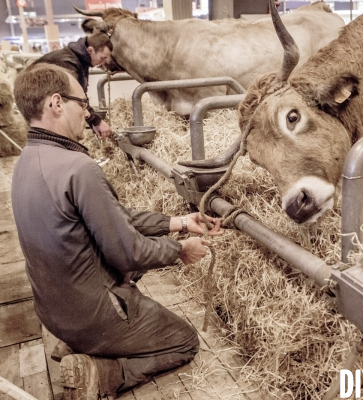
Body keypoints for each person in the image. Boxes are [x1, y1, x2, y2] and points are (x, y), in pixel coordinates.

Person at [11, 63, 223, 399]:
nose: (87, 113)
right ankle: (105, 372)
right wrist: (180, 251)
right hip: (90, 314)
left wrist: (179, 223)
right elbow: (128, 253)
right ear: (56, 103)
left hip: (53, 310)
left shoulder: (25, 160)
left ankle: (83, 342)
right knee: (184, 341)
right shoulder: (79, 169)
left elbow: (112, 217)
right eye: (82, 104)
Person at [31, 32, 113, 139]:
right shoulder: (68, 62)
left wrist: (93, 121)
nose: (102, 62)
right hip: (40, 111)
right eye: (102, 58)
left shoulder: (79, 59)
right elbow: (75, 96)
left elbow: (80, 95)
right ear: (90, 50)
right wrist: (96, 121)